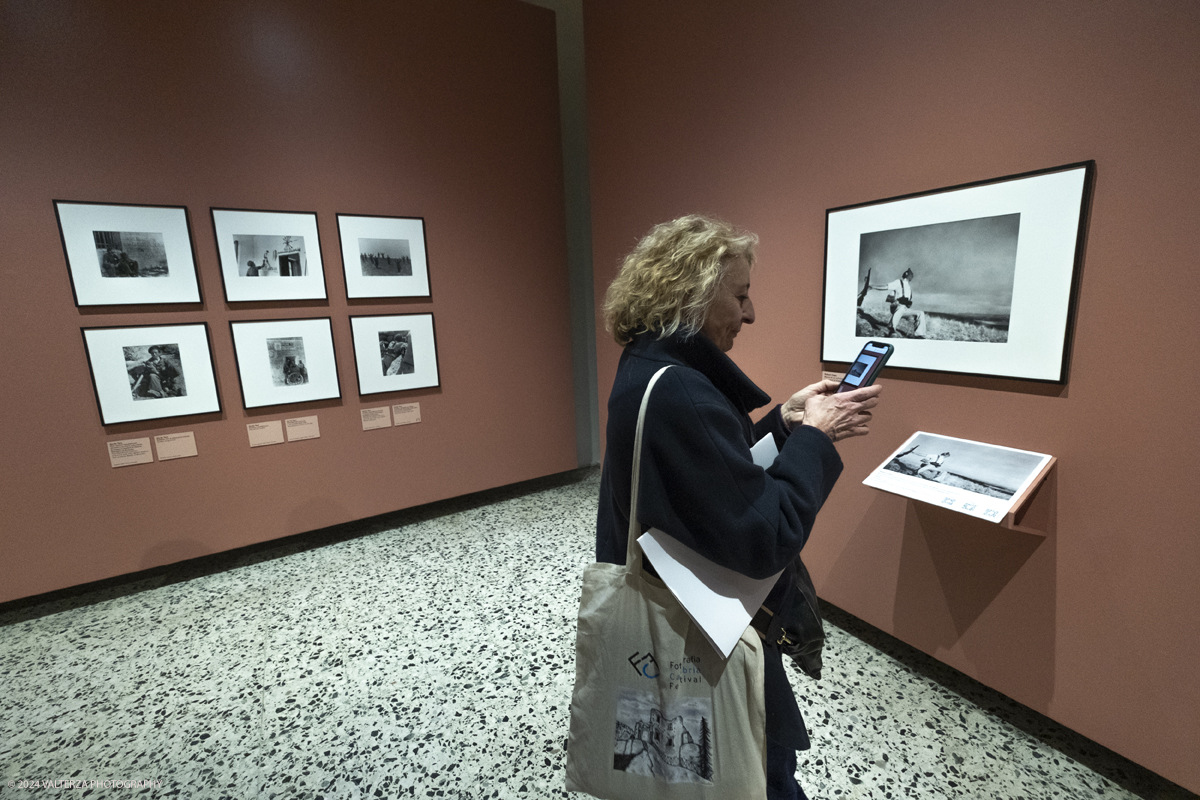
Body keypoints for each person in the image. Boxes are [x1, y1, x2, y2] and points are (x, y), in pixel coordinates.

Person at [596, 215, 882, 800]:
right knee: (756, 772)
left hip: (667, 604)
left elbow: (706, 474)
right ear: (692, 295)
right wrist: (816, 440)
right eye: (741, 295)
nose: (750, 315)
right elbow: (763, 537)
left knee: (673, 767)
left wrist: (785, 421)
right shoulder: (680, 388)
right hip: (706, 625)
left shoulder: (648, 366)